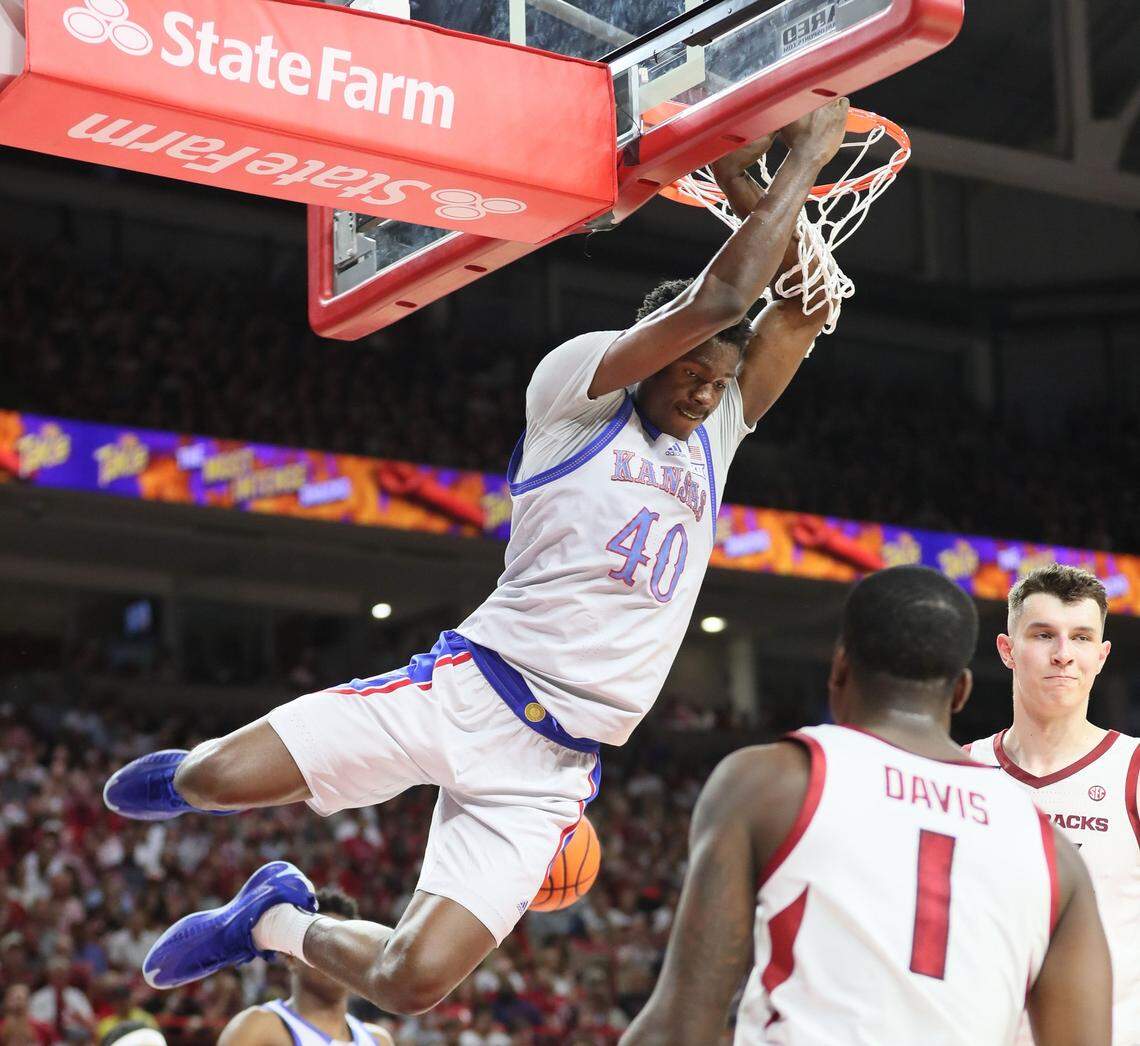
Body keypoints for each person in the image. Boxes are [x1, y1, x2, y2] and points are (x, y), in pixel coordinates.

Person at [104, 98, 852, 1014]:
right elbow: (724, 301)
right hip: (470, 692)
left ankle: (270, 921)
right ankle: (191, 782)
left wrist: (753, 190)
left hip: (556, 767)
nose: (704, 395)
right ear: (649, 355)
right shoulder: (577, 384)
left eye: (717, 382)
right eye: (690, 374)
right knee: (213, 781)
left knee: (412, 983)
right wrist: (806, 152)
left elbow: (803, 308)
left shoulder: (719, 426)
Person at [623, 566, 1112, 1046]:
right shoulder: (1049, 846)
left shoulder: (773, 782)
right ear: (960, 691)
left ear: (839, 668)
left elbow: (679, 1028)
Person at [966, 564, 1138, 1045]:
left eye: (1081, 638)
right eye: (1044, 635)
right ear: (1007, 650)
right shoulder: (960, 771)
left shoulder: (1134, 769)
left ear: (1101, 656)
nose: (1064, 655)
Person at [218, 887, 393, 1046]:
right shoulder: (257, 1028)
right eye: (326, 948)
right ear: (290, 956)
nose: (337, 960)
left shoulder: (379, 1040)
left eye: (344, 950)